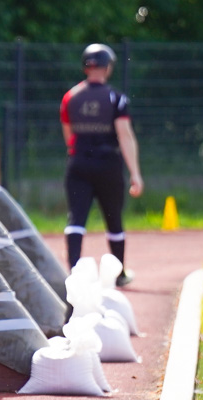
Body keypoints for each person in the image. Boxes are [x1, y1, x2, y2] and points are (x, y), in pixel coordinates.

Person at [60, 43, 144, 287]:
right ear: (108, 67)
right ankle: (118, 273)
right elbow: (125, 135)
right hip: (108, 164)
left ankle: (74, 273)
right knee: (114, 219)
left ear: (86, 66)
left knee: (76, 218)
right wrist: (135, 173)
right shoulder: (116, 98)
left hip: (78, 163)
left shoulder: (70, 97)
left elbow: (69, 135)